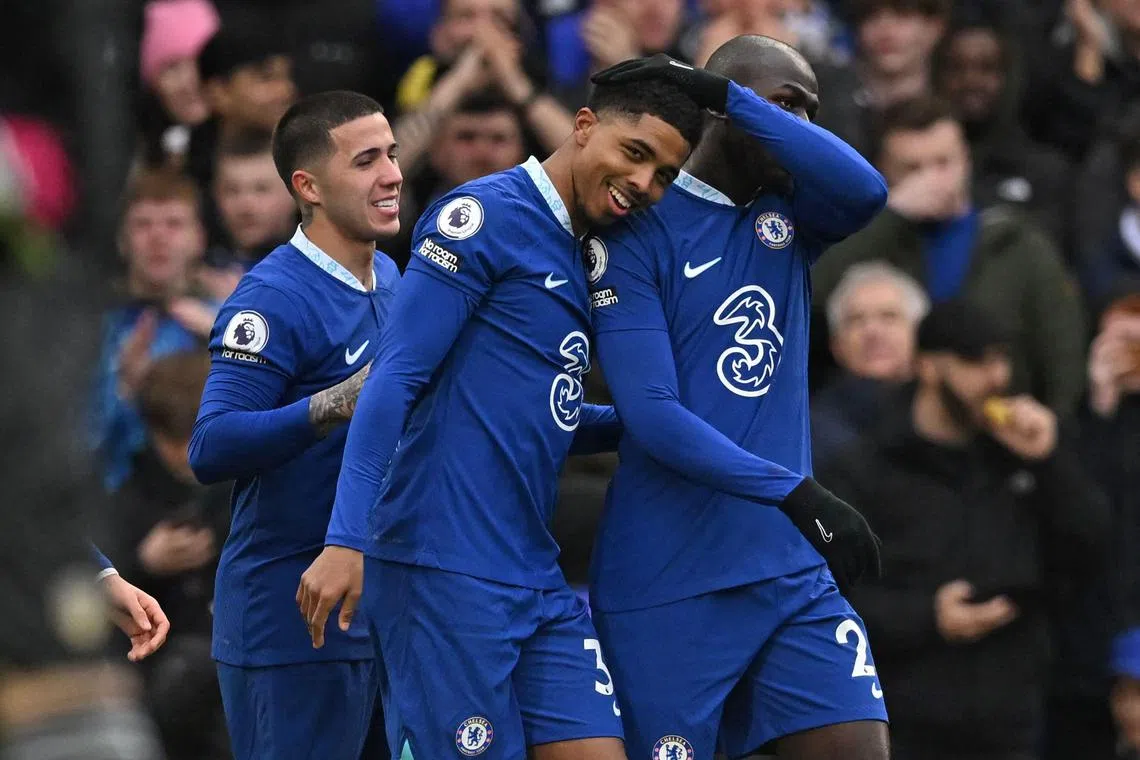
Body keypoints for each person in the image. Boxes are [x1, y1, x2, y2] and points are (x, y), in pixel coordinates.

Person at [297, 72, 704, 759]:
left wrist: (657, 423)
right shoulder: (484, 216)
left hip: (533, 571)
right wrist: (346, 537)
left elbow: (539, 411)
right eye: (635, 153)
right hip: (440, 568)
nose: (643, 182)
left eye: (664, 174)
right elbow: (395, 380)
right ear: (583, 126)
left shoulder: (595, 252)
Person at [583, 41, 889, 760]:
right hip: (671, 580)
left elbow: (867, 190)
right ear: (722, 117)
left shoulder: (792, 220)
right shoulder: (636, 231)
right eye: (785, 105)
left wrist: (732, 97)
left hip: (790, 572)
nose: (801, 128)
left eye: (810, 113)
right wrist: (794, 491)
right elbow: (653, 414)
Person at [188, 90, 403, 760]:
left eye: (391, 154)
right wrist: (332, 403)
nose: (392, 174)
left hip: (380, 619)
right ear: (308, 187)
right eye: (366, 161)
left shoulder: (391, 276)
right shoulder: (272, 298)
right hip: (290, 625)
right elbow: (211, 444)